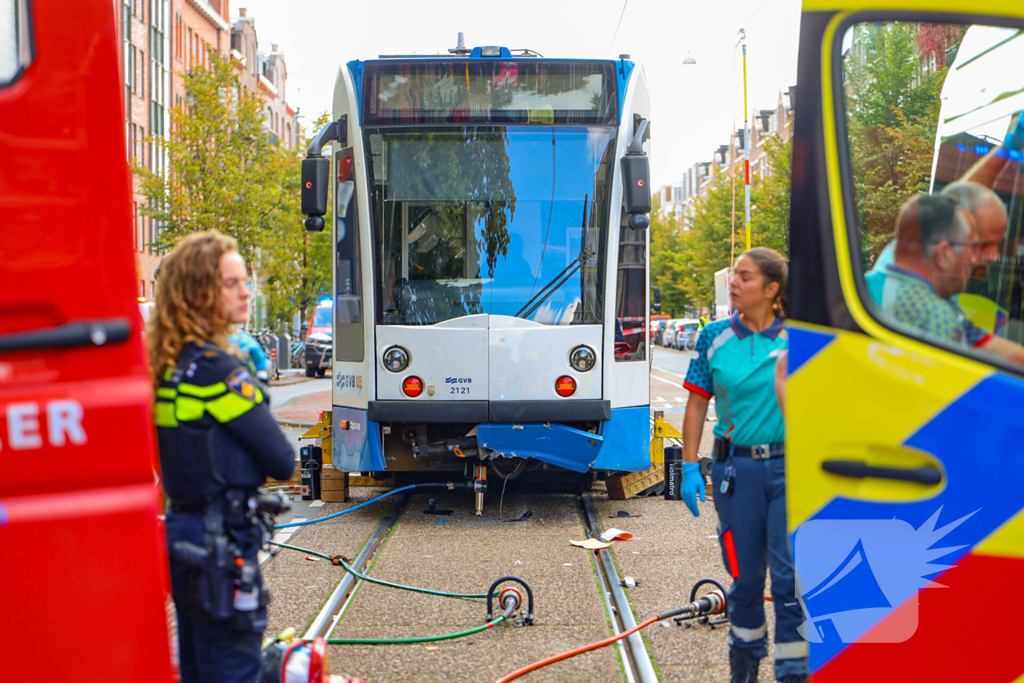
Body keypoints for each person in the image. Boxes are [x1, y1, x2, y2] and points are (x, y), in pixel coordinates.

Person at [149, 231, 295, 683]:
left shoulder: (172, 368)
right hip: (221, 543)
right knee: (233, 668)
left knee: (196, 668)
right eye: (231, 283)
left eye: (244, 280)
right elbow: (282, 459)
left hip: (184, 537)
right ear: (200, 294)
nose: (246, 291)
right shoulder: (219, 373)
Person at [681, 248, 805, 683]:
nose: (733, 283)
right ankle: (745, 666)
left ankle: (793, 672)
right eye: (734, 275)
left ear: (771, 290)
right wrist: (688, 466)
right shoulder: (712, 336)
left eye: (745, 278)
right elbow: (697, 404)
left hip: (792, 470)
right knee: (745, 578)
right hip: (736, 473)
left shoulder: (801, 337)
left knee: (790, 581)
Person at [865, 193, 1024, 366]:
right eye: (972, 247)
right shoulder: (939, 319)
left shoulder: (861, 289)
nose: (975, 259)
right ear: (944, 254)